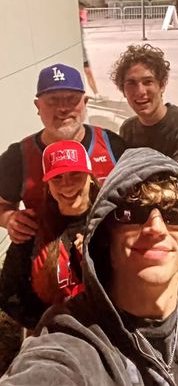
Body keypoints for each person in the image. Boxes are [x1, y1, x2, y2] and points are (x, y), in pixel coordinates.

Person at [1, 148, 178, 385]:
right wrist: (39, 319)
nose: (156, 228)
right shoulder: (31, 231)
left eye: (176, 212)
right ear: (106, 239)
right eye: (132, 212)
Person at [0, 63, 126, 245]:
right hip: (47, 260)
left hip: (106, 255)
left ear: (85, 103)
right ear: (37, 106)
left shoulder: (112, 145)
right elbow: (3, 205)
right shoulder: (18, 157)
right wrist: (9, 218)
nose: (63, 108)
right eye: (53, 100)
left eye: (71, 99)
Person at [0, 140, 100, 330]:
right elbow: (9, 294)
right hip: (51, 339)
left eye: (76, 174)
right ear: (48, 184)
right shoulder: (32, 227)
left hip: (107, 338)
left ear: (90, 177)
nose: (67, 185)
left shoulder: (111, 224)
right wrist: (47, 324)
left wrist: (99, 258)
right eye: (58, 178)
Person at [111, 44, 178, 187]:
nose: (140, 91)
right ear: (123, 90)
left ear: (162, 85)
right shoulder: (128, 129)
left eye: (148, 82)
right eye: (131, 83)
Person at [79, 5, 106, 102]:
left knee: (88, 72)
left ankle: (96, 94)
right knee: (85, 73)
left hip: (82, 52)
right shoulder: (73, 23)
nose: (83, 10)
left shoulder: (79, 23)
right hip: (78, 53)